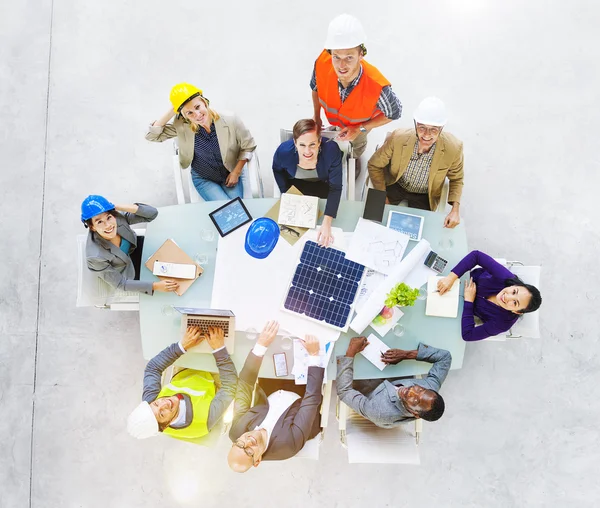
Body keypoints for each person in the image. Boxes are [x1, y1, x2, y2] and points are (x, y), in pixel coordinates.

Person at [227, 321, 325, 471]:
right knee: (313, 339)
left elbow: (244, 386)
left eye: (240, 444)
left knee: (278, 338)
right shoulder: (287, 446)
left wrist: (261, 345)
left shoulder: (236, 431)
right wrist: (313, 355)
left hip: (272, 391)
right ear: (258, 460)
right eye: (248, 452)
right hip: (302, 396)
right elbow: (311, 399)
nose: (247, 442)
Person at [310, 14, 402, 160]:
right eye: (336, 57)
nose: (341, 66)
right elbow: (315, 88)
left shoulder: (377, 86)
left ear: (361, 54)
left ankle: (354, 159)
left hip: (361, 125)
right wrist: (316, 116)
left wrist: (360, 129)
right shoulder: (322, 63)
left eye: (349, 57)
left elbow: (394, 112)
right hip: (336, 121)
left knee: (356, 146)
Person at [145, 83, 256, 201]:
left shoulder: (230, 119)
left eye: (197, 107)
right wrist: (173, 110)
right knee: (226, 210)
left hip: (230, 171)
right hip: (204, 179)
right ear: (184, 116)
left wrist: (236, 172)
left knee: (238, 210)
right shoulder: (182, 126)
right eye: (189, 113)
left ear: (204, 102)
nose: (197, 115)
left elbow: (248, 147)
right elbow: (152, 136)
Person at [127, 326, 238, 440]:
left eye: (156, 404)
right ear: (165, 427)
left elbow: (153, 368)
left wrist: (181, 346)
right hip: (215, 380)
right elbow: (229, 387)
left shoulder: (151, 403)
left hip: (186, 369)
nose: (164, 404)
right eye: (162, 414)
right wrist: (219, 350)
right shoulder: (204, 421)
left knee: (192, 328)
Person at [367, 97, 464, 228]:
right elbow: (374, 164)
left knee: (418, 236)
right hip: (394, 184)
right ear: (415, 123)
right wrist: (382, 196)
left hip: (424, 196)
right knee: (370, 223)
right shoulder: (398, 138)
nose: (426, 135)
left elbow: (456, 178)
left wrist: (455, 210)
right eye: (422, 127)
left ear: (442, 128)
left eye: (434, 129)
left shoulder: (454, 148)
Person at [336, 337, 451, 428]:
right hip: (386, 372)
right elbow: (445, 358)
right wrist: (406, 355)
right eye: (420, 389)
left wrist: (350, 352)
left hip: (366, 386)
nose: (411, 391)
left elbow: (344, 392)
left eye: (415, 401)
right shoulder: (430, 388)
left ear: (415, 414)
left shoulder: (378, 411)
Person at [437, 250, 542, 341]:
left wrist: (469, 301)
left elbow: (468, 335)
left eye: (515, 302)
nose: (507, 297)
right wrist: (450, 278)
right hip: (461, 276)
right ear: (515, 285)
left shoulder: (503, 323)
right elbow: (476, 255)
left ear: (517, 311)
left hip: (461, 309)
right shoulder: (506, 277)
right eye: (514, 291)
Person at [82, 195, 177, 295]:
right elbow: (120, 284)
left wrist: (115, 207)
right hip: (127, 269)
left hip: (136, 247)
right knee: (168, 289)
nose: (108, 225)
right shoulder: (95, 256)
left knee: (173, 262)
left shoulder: (117, 218)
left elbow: (152, 214)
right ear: (92, 227)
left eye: (108, 217)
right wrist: (155, 286)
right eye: (99, 222)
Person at [273, 119, 343, 246]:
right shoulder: (283, 152)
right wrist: (286, 192)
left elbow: (336, 187)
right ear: (295, 143)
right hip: (295, 187)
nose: (307, 152)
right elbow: (277, 170)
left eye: (312, 144)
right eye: (302, 145)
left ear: (319, 141)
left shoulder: (331, 151)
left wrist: (327, 222)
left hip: (322, 186)